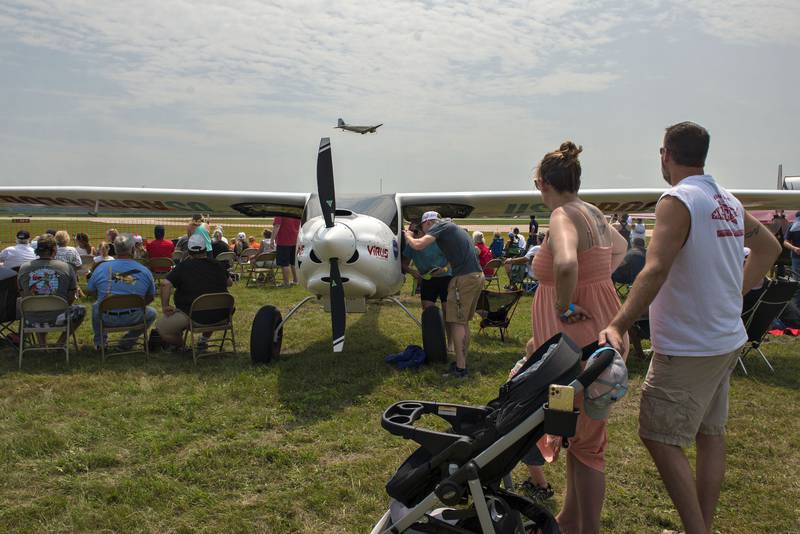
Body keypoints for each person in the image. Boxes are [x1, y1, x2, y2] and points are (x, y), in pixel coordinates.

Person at [598, 122, 781, 534]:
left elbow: (656, 267)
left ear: (666, 154)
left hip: (690, 345)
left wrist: (618, 323)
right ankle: (700, 527)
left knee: (659, 436)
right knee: (709, 434)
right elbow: (769, 247)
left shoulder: (677, 200)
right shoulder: (726, 200)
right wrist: (734, 292)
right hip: (725, 337)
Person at [515, 140, 628, 534]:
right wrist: (597, 282)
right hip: (598, 336)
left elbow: (564, 263)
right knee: (580, 442)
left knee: (588, 447)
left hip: (580, 349)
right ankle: (569, 520)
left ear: (544, 183)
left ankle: (587, 529)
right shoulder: (593, 212)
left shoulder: (563, 216)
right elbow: (623, 247)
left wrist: (564, 306)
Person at [404, 211, 484, 378]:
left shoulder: (439, 227)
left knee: (455, 321)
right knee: (462, 323)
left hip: (464, 278)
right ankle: (461, 362)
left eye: (424, 227)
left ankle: (461, 369)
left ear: (428, 223)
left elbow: (418, 245)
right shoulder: (451, 226)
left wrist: (408, 236)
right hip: (475, 276)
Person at [156, 234, 232, 349]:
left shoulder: (183, 267)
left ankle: (183, 347)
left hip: (193, 315)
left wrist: (165, 306)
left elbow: (165, 284)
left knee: (162, 328)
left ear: (189, 251)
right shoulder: (218, 265)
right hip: (222, 314)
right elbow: (229, 282)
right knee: (211, 303)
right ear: (205, 249)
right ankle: (204, 340)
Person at [86, 234, 157, 350]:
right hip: (134, 316)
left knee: (96, 307)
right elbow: (150, 297)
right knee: (152, 313)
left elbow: (90, 291)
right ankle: (127, 342)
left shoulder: (101, 268)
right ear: (133, 250)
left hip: (106, 316)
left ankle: (100, 343)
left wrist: (105, 301)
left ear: (115, 249)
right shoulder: (144, 271)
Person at [17, 234, 86, 346]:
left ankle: (42, 344)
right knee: (81, 310)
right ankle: (60, 343)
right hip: (59, 316)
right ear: (54, 250)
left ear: (37, 250)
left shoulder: (24, 268)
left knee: (28, 303)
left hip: (32, 317)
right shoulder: (66, 267)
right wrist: (61, 306)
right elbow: (72, 294)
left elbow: (23, 293)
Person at [402, 222, 454, 352]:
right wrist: (413, 272)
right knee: (428, 311)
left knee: (447, 310)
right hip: (427, 279)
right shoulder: (411, 245)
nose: (413, 234)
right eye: (411, 231)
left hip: (445, 277)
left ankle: (451, 343)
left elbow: (451, 260)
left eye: (416, 231)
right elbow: (403, 264)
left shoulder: (435, 240)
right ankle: (433, 342)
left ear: (423, 231)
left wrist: (444, 269)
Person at [273, 216, 301, 287]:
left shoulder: (279, 214)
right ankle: (296, 280)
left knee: (284, 263)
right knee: (293, 262)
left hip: (283, 241)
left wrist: (271, 240)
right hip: (295, 240)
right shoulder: (294, 212)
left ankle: (286, 283)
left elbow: (277, 226)